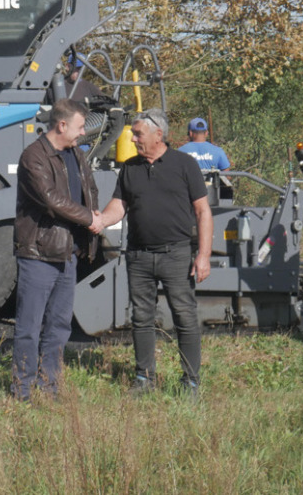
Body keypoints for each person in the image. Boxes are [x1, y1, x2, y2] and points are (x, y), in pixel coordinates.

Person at [98, 109, 213, 395]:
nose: (133, 138)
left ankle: (190, 382)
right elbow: (119, 206)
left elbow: (203, 211)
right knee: (141, 317)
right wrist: (99, 220)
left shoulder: (185, 165)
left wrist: (203, 256)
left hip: (175, 254)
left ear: (158, 135)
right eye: (134, 133)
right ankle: (144, 379)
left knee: (184, 316)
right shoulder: (129, 168)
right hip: (138, 256)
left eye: (138, 134)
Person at [11, 98, 103, 400]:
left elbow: (89, 189)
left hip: (68, 254)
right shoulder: (33, 156)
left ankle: (49, 387)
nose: (82, 134)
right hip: (39, 254)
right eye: (78, 128)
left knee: (59, 326)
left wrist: (97, 216)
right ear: (61, 125)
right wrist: (90, 218)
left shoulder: (75, 153)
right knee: (29, 326)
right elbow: (51, 201)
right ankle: (22, 391)